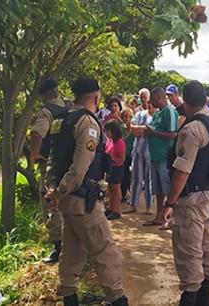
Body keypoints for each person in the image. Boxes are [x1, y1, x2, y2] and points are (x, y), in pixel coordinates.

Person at [45, 78, 128, 306]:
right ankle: (118, 299)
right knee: (105, 253)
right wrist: (59, 192)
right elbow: (79, 169)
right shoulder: (87, 124)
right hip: (82, 200)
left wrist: (52, 192)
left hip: (67, 201)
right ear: (96, 97)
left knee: (71, 253)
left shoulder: (62, 120)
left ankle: (70, 298)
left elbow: (53, 159)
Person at [162, 80, 209, 306]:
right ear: (205, 100)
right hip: (208, 196)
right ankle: (205, 300)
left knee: (189, 253)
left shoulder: (192, 129)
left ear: (185, 102)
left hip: (191, 200)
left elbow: (181, 173)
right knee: (206, 247)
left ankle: (190, 300)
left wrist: (170, 203)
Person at [29, 79, 65, 264]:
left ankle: (59, 249)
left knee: (51, 204)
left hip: (50, 166)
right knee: (66, 203)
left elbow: (37, 133)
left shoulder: (46, 112)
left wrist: (34, 154)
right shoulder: (69, 109)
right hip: (68, 166)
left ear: (43, 95)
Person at [143, 87, 178, 229]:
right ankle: (159, 216)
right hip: (155, 156)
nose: (150, 102)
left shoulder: (169, 112)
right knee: (157, 189)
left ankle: (169, 218)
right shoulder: (158, 113)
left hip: (164, 156)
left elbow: (172, 134)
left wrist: (153, 132)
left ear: (158, 97)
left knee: (167, 188)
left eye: (152, 98)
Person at [126, 97, 155, 214]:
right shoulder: (140, 114)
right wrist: (145, 130)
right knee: (136, 179)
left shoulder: (157, 117)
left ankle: (149, 206)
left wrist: (142, 130)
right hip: (137, 151)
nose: (150, 105)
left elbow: (153, 131)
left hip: (150, 153)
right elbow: (131, 128)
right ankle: (133, 204)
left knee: (149, 180)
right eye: (149, 103)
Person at [104, 120, 126, 220]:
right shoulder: (109, 141)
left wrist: (112, 160)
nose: (107, 133)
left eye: (108, 131)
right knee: (110, 188)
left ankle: (116, 210)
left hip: (117, 167)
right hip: (110, 168)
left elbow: (122, 158)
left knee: (116, 188)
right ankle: (110, 207)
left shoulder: (120, 142)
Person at [120, 108, 135, 206]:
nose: (125, 119)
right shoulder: (121, 128)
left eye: (127, 116)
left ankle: (131, 194)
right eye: (124, 117)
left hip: (132, 154)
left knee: (131, 175)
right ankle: (123, 194)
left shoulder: (134, 128)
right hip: (123, 154)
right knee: (124, 174)